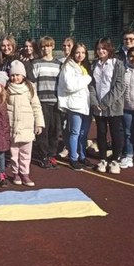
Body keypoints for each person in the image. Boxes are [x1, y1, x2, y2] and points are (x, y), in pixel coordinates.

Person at [89, 38, 125, 174]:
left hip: (113, 106)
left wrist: (105, 103)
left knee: (116, 133)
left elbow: (120, 86)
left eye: (103, 48)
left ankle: (115, 160)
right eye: (98, 48)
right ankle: (103, 159)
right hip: (98, 107)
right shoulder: (94, 65)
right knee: (101, 133)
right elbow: (91, 85)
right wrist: (95, 102)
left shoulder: (118, 64)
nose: (100, 51)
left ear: (109, 49)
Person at [7, 60, 44, 186]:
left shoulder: (29, 88)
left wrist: (39, 123)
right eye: (12, 75)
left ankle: (25, 174)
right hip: (12, 127)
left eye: (17, 75)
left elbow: (36, 106)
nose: (15, 77)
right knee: (14, 153)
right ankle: (15, 173)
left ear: (23, 75)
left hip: (27, 127)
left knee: (26, 153)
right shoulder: (6, 89)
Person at [57, 43, 92, 171]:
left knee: (83, 133)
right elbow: (69, 86)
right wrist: (87, 79)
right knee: (75, 132)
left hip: (85, 104)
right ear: (73, 53)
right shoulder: (68, 67)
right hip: (75, 105)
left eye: (83, 52)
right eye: (78, 52)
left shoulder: (83, 66)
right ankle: (73, 158)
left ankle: (82, 156)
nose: (80, 55)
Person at [32, 36, 62, 169]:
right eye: (43, 46)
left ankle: (51, 155)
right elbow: (33, 84)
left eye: (48, 46)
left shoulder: (59, 64)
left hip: (55, 103)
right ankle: (43, 156)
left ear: (53, 46)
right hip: (42, 102)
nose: (46, 49)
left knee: (55, 131)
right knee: (42, 132)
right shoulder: (36, 63)